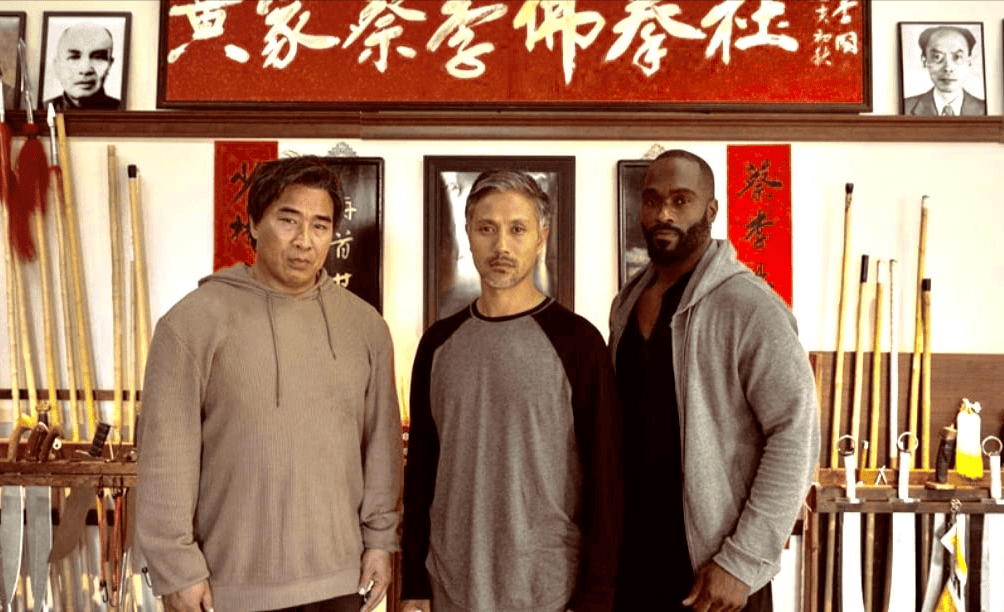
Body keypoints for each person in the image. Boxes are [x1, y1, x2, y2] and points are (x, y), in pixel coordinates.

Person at [136, 156, 402, 612]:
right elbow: (166, 459)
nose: (304, 241)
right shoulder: (191, 323)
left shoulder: (366, 327)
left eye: (321, 225)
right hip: (227, 587)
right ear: (254, 224)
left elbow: (381, 447)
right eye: (288, 220)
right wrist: (176, 568)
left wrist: (381, 541)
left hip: (340, 582)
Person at [401, 170, 622, 612]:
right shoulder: (438, 343)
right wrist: (413, 586)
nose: (501, 246)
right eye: (487, 229)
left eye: (517, 229)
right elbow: (422, 471)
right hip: (450, 586)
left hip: (547, 590)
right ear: (468, 234)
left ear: (541, 236)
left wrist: (595, 596)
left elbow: (607, 478)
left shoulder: (578, 343)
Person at [609, 150, 819, 612]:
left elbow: (795, 436)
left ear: (711, 211)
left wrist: (743, 561)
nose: (663, 213)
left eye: (681, 200)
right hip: (634, 565)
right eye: (652, 200)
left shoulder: (750, 307)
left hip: (714, 575)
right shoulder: (626, 303)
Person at [903, 25, 985, 116]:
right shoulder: (906, 107)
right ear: (925, 61)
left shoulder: (985, 109)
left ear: (969, 62)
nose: (948, 68)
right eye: (937, 57)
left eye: (957, 57)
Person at [43, 21, 121, 111]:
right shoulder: (42, 110)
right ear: (57, 65)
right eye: (74, 57)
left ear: (110, 64)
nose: (85, 69)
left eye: (97, 57)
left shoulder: (122, 111)